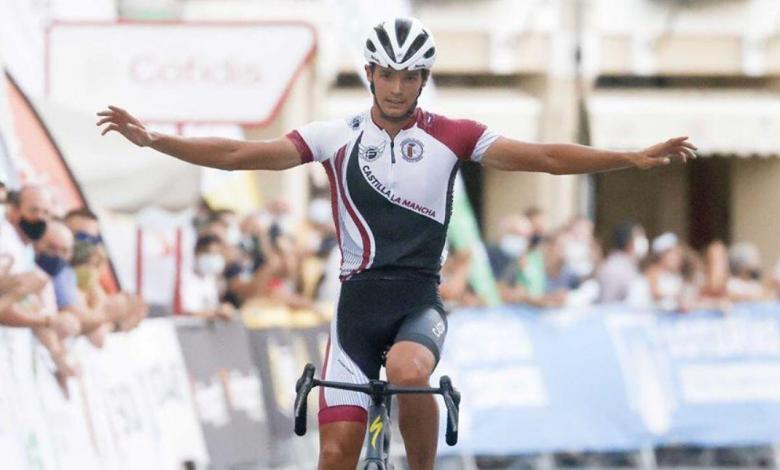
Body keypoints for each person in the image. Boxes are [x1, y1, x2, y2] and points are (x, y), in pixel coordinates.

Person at [96, 16, 697, 470]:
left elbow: (542, 156)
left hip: (418, 303)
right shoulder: (335, 136)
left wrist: (629, 157)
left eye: (409, 75)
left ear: (422, 80)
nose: (396, 85)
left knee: (410, 371)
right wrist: (156, 142)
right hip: (355, 310)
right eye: (387, 73)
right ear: (370, 75)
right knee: (334, 458)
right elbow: (236, 154)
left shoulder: (452, 135)